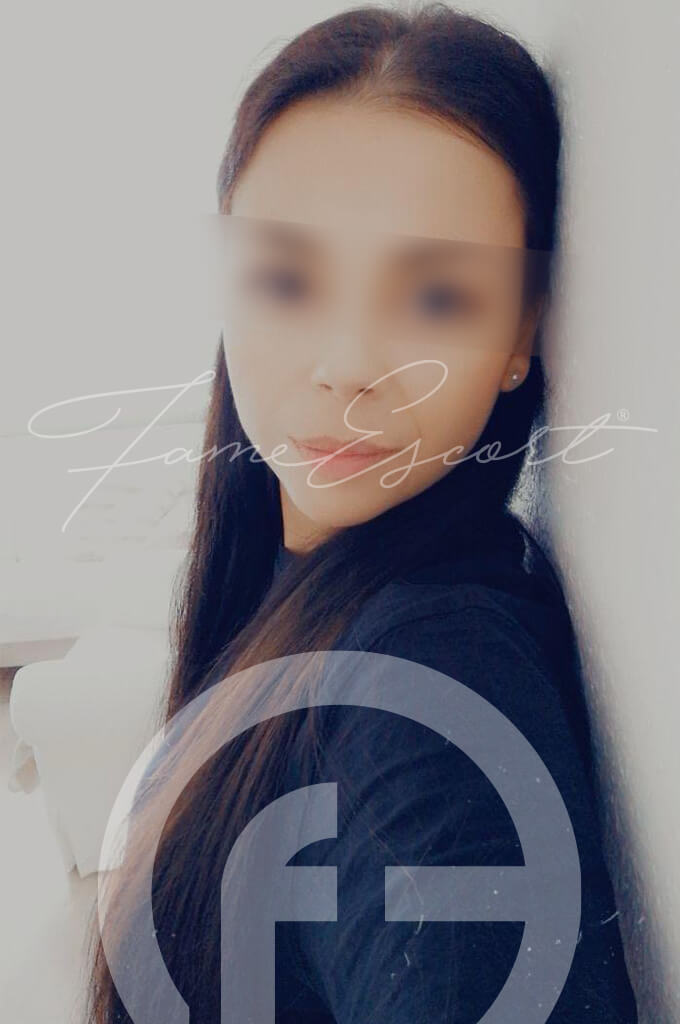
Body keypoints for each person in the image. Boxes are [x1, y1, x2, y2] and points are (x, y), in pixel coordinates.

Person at [86, 4, 639, 1021]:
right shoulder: (310, 597)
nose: (346, 365)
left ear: (523, 331)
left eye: (434, 298)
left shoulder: (429, 684)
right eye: (288, 278)